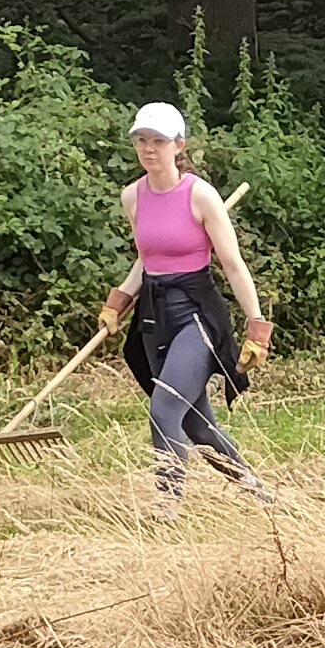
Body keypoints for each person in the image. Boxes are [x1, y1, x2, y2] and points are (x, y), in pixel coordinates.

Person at [96, 99, 276, 511]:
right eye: (141, 140)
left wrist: (257, 327)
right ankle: (257, 491)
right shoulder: (132, 197)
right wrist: (118, 301)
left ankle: (167, 510)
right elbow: (148, 259)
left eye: (158, 141)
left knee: (163, 410)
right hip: (152, 317)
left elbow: (232, 264)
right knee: (195, 422)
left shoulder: (200, 195)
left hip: (195, 314)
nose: (148, 149)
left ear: (179, 145)